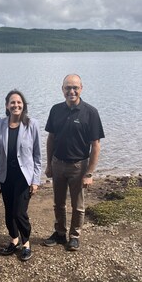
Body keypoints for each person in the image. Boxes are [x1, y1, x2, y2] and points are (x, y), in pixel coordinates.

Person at [44, 74, 105, 251]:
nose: (71, 91)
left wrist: (89, 173)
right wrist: (49, 164)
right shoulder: (55, 110)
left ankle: (74, 236)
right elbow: (51, 139)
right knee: (58, 202)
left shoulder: (90, 112)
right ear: (62, 89)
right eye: (67, 88)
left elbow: (96, 145)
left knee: (77, 205)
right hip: (58, 163)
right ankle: (60, 233)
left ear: (81, 88)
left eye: (75, 87)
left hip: (79, 166)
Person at [0, 90, 42, 261]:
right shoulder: (0, 124)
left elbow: (37, 155)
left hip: (24, 176)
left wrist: (35, 181)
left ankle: (26, 242)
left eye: (19, 102)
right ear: (7, 105)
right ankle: (13, 240)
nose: (16, 105)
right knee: (8, 211)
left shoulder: (32, 124)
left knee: (19, 212)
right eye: (12, 102)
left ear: (23, 105)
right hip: (6, 176)